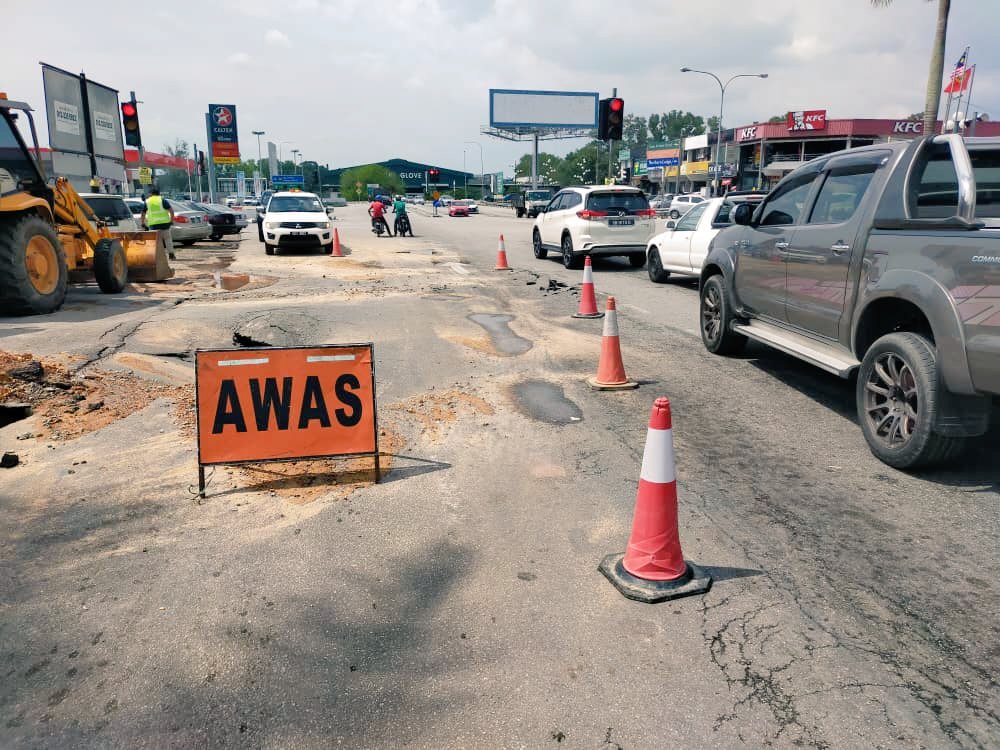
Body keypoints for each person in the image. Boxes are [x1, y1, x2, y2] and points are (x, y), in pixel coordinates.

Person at [141, 187, 176, 260]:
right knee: (167, 239)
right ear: (159, 194)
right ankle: (171, 254)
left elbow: (143, 214)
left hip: (153, 225)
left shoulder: (147, 202)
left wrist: (143, 223)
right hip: (165, 224)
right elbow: (171, 211)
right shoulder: (162, 200)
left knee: (155, 242)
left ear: (151, 194)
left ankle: (156, 257)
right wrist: (171, 220)